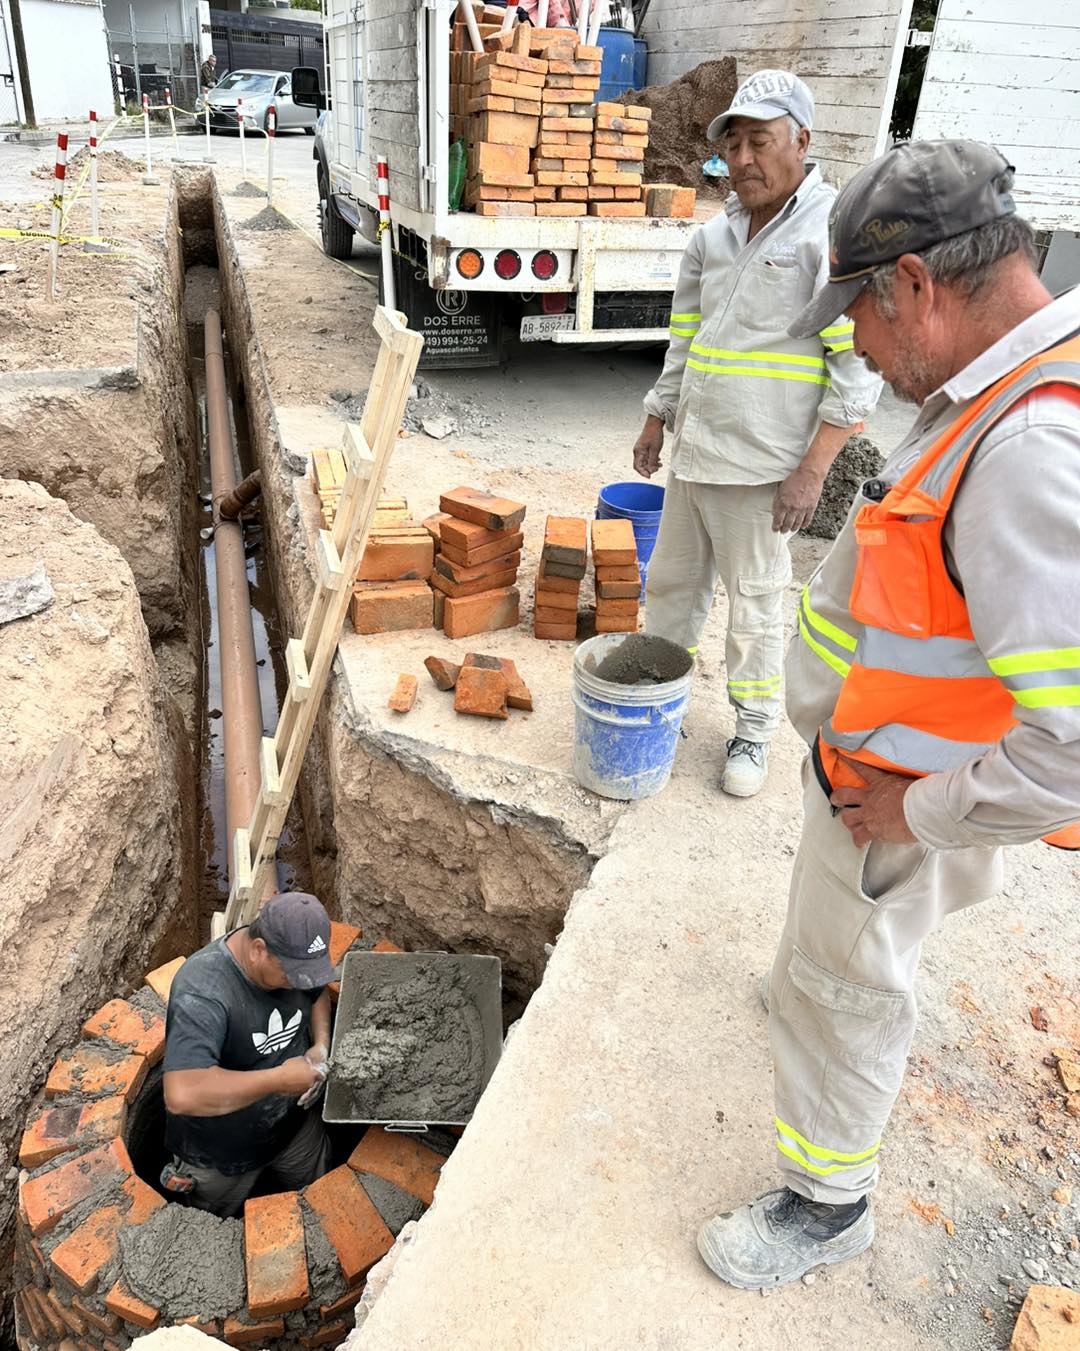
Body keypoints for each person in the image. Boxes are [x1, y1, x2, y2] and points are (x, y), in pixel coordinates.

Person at [696, 139, 1080, 1289]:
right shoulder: (1004, 385)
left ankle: (827, 1202)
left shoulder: (1028, 450)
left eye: (857, 308)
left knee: (848, 986)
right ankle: (809, 990)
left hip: (897, 801)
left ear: (914, 283)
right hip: (878, 773)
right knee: (826, 963)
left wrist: (922, 808)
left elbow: (1071, 743)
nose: (852, 338)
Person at [634, 69, 880, 798]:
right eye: (733, 143)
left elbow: (855, 370)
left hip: (765, 470)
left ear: (802, 141)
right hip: (697, 453)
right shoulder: (713, 236)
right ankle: (662, 695)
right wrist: (656, 414)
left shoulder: (827, 236)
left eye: (760, 141)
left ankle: (752, 726)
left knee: (756, 603)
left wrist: (813, 470)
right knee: (673, 588)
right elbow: (687, 339)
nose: (743, 158)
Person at [163, 891, 335, 1217]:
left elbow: (317, 993)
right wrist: (280, 1080)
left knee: (324, 1208)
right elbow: (182, 1094)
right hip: (219, 1155)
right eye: (292, 976)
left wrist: (320, 1044)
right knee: (209, 1230)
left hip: (293, 1130)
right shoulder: (203, 990)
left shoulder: (294, 958)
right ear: (259, 950)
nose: (300, 983)